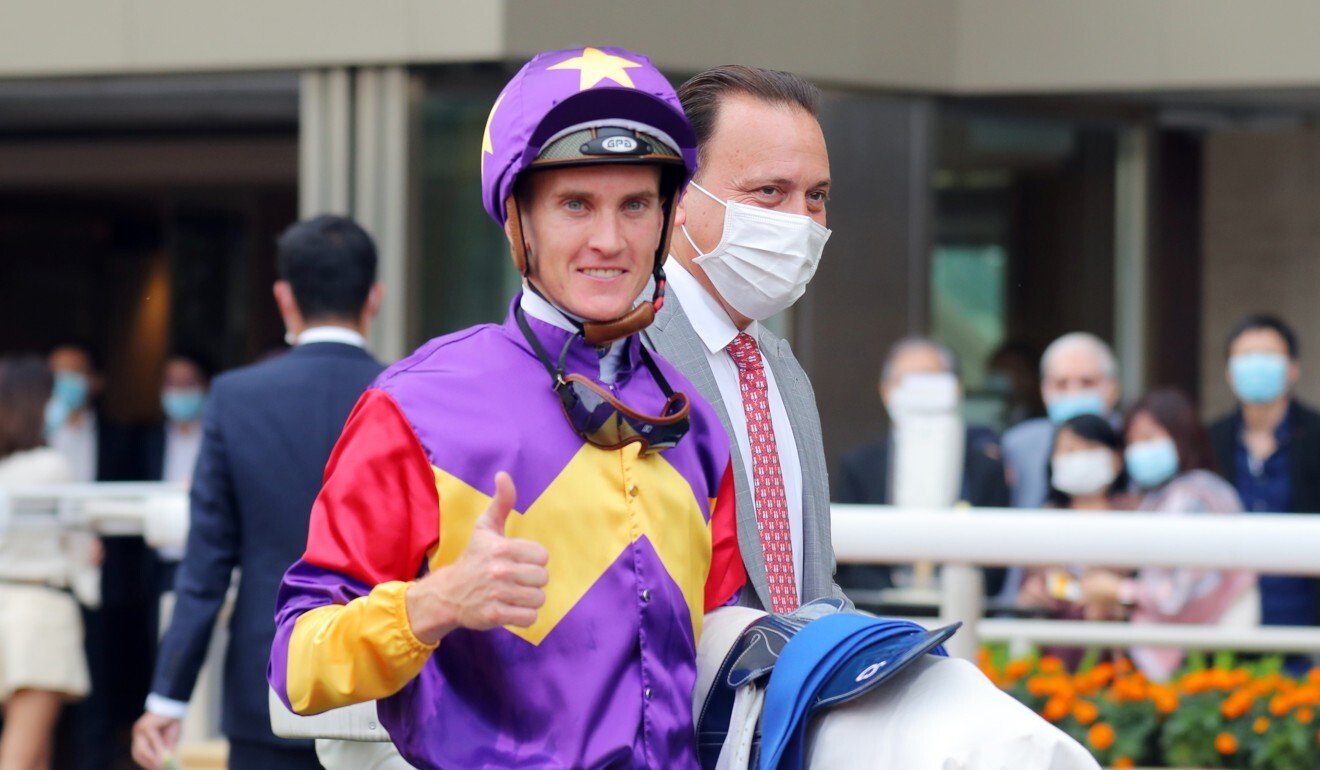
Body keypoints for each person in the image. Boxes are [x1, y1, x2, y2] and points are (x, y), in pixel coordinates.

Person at [265, 47, 745, 770]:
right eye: (575, 205)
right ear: (518, 219)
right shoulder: (417, 406)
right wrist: (434, 603)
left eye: (635, 205)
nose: (609, 241)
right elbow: (297, 666)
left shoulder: (694, 424)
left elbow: (721, 654)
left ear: (667, 218)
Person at [131, 215, 385, 770]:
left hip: (267, 677)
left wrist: (167, 697)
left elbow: (205, 569)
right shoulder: (411, 394)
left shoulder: (235, 398)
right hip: (383, 679)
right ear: (374, 298)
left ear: (283, 297)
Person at [643, 64, 846, 613]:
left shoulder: (778, 366)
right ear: (679, 195)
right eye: (769, 191)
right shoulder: (622, 354)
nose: (801, 221)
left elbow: (814, 582)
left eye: (816, 195)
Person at [1078, 389, 1253, 681]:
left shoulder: (1198, 495)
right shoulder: (1157, 499)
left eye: (1148, 438)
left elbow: (1183, 597)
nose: (1139, 451)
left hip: (1202, 667)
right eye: (1132, 442)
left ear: (1181, 436)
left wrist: (1119, 591)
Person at [835, 337, 1010, 595]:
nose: (918, 391)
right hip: (879, 613)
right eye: (906, 381)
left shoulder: (985, 469)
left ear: (955, 388)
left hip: (961, 607)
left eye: (930, 380)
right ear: (886, 390)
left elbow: (998, 555)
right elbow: (844, 559)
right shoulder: (858, 467)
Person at [0, 355, 92, 770]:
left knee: (34, 751)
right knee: (24, 751)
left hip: (9, 606)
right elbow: (81, 547)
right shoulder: (50, 466)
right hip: (40, 609)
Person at [1208, 314, 1320, 644]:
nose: (1257, 366)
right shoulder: (1212, 439)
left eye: (1269, 356)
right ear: (1230, 372)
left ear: (1293, 368)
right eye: (1245, 357)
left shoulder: (1315, 435)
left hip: (1304, 618)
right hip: (1229, 620)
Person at [1017, 414, 1133, 668]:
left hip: (1119, 663)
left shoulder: (1135, 516)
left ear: (1115, 460)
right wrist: (1032, 595)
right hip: (1051, 663)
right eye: (1069, 450)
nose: (1079, 458)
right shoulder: (1043, 522)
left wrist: (1115, 599)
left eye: (1090, 449)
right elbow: (1025, 593)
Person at [1002, 332, 1121, 510]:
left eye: (1087, 382)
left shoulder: (1131, 436)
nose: (1074, 392)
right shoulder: (1018, 444)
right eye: (1061, 383)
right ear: (1044, 390)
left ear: (1113, 389)